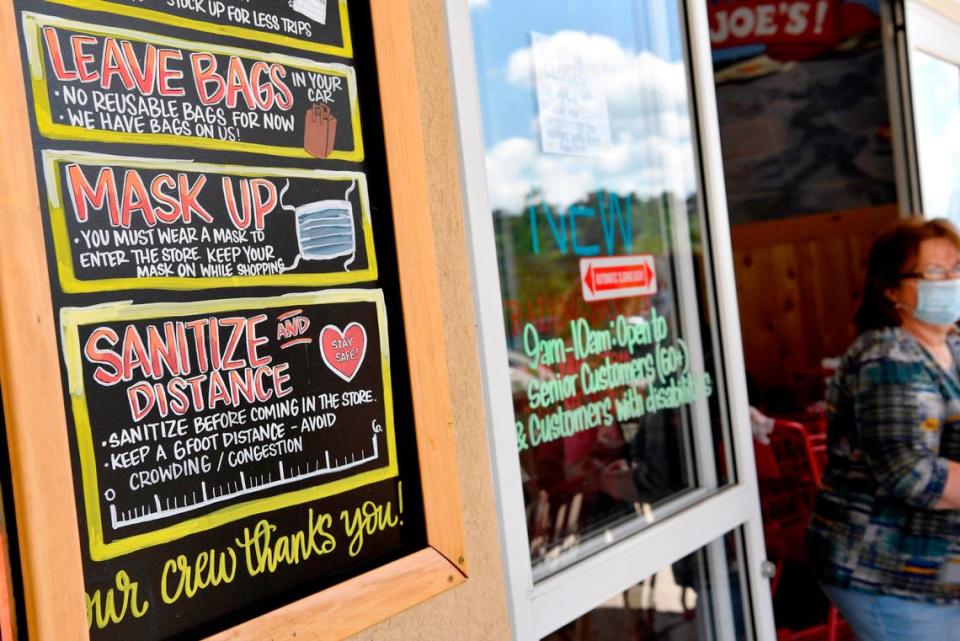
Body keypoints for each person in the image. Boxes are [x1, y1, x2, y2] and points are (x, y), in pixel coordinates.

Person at [807, 218, 960, 639]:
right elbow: (909, 473)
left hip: (937, 571)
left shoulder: (952, 344)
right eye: (933, 272)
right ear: (891, 289)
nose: (951, 281)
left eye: (956, 268)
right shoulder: (887, 356)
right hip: (888, 572)